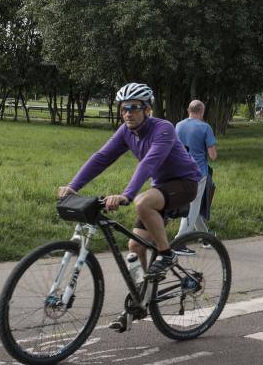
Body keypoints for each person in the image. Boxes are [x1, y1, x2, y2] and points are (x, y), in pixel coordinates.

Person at [58, 83, 201, 331]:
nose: (128, 114)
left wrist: (126, 195)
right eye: (124, 109)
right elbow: (102, 158)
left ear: (147, 109)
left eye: (134, 108)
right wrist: (73, 187)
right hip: (161, 188)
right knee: (135, 246)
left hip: (184, 183)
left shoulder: (163, 128)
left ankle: (167, 254)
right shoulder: (126, 131)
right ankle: (143, 299)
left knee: (142, 202)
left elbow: (149, 162)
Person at [173, 99, 217, 255]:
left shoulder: (178, 125)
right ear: (202, 111)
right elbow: (212, 155)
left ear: (188, 110)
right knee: (192, 207)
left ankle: (206, 237)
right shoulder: (205, 127)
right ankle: (179, 241)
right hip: (198, 173)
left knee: (194, 206)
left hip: (179, 171)